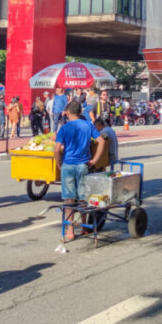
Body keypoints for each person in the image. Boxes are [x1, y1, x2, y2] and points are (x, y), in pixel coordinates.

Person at [55, 101, 106, 241]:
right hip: (83, 165)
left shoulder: (64, 128)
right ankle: (84, 227)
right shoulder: (88, 125)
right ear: (80, 112)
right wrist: (95, 160)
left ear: (68, 112)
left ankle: (70, 231)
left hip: (68, 165)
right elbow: (101, 141)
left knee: (69, 199)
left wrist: (59, 163)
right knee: (83, 197)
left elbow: (56, 149)